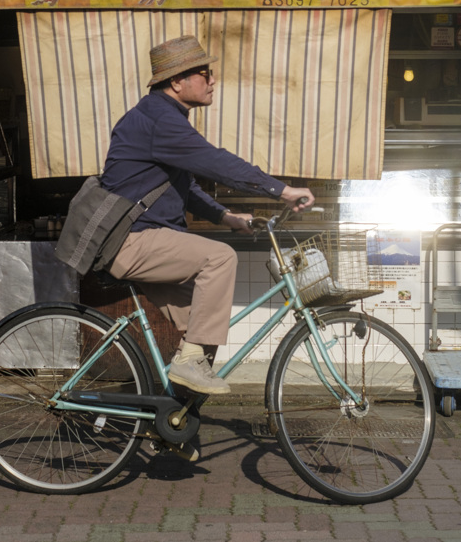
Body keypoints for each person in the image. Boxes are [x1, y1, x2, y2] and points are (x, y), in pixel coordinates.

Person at [101, 34, 314, 396]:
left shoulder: (163, 117)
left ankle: (173, 426)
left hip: (146, 239)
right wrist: (282, 189)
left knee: (201, 341)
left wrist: (225, 217)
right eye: (204, 72)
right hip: (132, 240)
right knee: (220, 257)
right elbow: (217, 164)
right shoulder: (160, 121)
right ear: (177, 81)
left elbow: (186, 187)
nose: (213, 80)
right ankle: (186, 368)